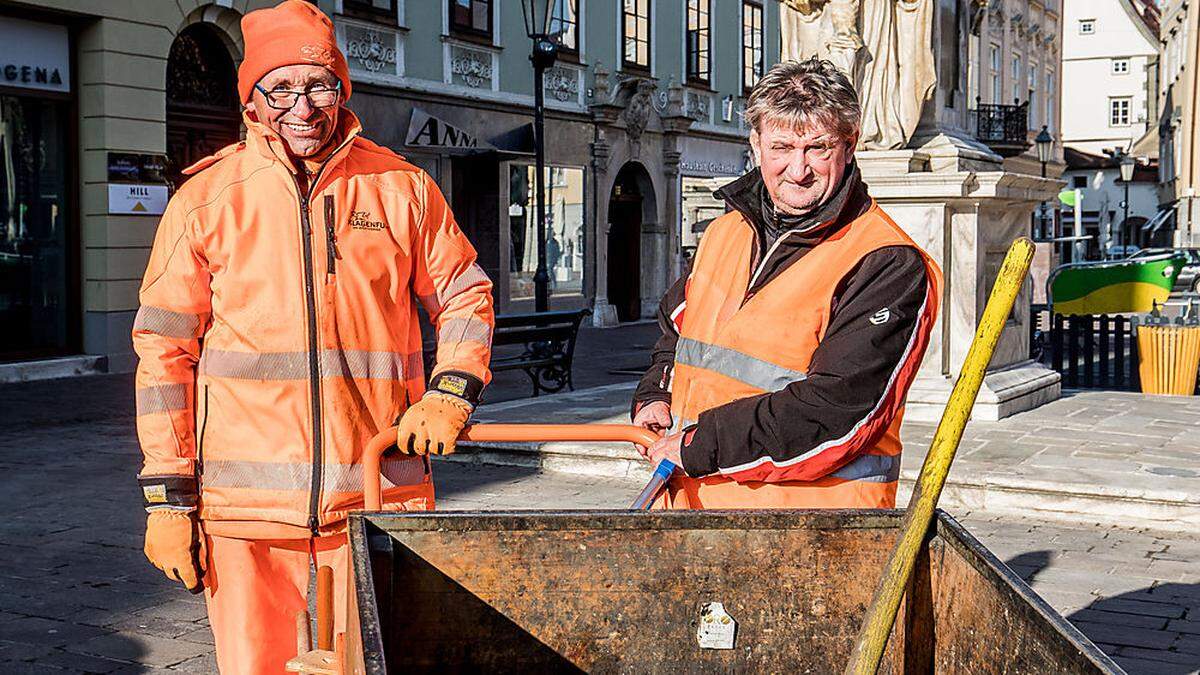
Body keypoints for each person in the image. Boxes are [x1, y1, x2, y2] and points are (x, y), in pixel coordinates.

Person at [132, 2, 494, 671]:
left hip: (374, 496)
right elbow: (163, 353)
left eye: (319, 85)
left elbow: (465, 291)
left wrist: (452, 386)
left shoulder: (402, 188)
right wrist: (168, 497)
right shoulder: (206, 202)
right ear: (254, 97)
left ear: (341, 90)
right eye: (282, 88)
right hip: (244, 518)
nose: (302, 106)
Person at [631, 58, 942, 510]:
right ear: (756, 144)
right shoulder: (726, 232)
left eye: (817, 147)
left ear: (850, 145)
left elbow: (838, 410)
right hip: (695, 505)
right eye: (781, 147)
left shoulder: (885, 261)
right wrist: (654, 395)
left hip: (810, 529)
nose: (797, 170)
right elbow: (677, 334)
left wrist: (704, 443)